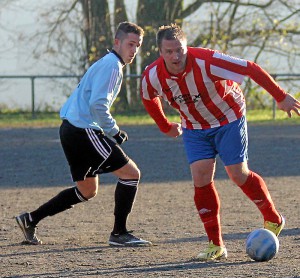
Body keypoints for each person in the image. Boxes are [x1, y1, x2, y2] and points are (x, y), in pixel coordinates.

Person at [140, 23, 300, 261]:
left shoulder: (207, 60)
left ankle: (273, 218)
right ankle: (215, 245)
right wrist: (165, 126)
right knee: (201, 178)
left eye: (179, 50)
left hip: (229, 118)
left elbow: (250, 68)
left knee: (237, 174)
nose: (175, 56)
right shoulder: (152, 76)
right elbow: (148, 98)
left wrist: (280, 96)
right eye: (169, 51)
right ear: (160, 52)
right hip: (194, 127)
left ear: (186, 46)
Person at [16, 21, 152, 247]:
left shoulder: (106, 63)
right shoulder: (112, 66)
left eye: (137, 46)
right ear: (117, 42)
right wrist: (114, 131)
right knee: (131, 174)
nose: (134, 50)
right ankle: (119, 234)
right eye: (130, 44)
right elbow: (98, 105)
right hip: (83, 130)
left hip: (70, 129)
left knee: (87, 190)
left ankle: (30, 219)